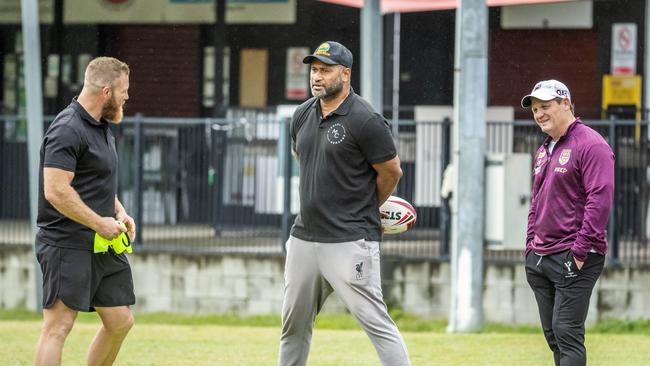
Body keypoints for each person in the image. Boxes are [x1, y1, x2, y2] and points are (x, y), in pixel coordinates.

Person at [278, 41, 410, 366]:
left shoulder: (366, 119)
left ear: (346, 73)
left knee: (376, 323)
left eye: (326, 69)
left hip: (350, 240)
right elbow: (308, 161)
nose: (317, 76)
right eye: (314, 69)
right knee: (292, 327)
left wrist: (367, 206)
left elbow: (391, 172)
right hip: (304, 238)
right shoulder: (301, 114)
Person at [35, 56, 136, 366]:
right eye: (124, 90)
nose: (127, 97)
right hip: (67, 242)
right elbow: (55, 190)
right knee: (58, 327)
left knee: (120, 321)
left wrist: (118, 211)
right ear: (106, 91)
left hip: (101, 243)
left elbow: (96, 178)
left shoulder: (101, 125)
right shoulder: (67, 128)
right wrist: (97, 223)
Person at [521, 80, 614, 366]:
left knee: (566, 332)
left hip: (574, 255)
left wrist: (579, 251)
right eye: (535, 109)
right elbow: (537, 200)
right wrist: (529, 247)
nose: (539, 114)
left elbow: (600, 199)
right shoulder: (544, 149)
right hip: (540, 257)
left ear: (566, 104)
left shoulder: (591, 144)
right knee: (554, 335)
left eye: (545, 106)